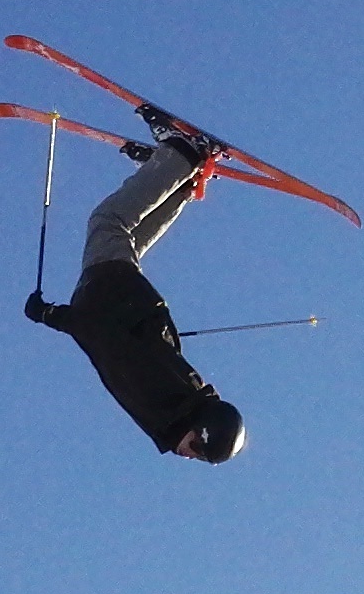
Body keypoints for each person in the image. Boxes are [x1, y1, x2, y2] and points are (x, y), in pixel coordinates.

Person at [27, 126, 248, 462]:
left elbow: (140, 349)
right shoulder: (164, 400)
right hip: (109, 296)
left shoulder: (175, 408)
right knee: (108, 221)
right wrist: (51, 315)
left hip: (123, 300)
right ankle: (182, 155)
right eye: (197, 449)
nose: (190, 456)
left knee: (127, 236)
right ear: (201, 429)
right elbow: (106, 340)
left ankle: (175, 178)